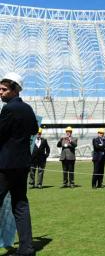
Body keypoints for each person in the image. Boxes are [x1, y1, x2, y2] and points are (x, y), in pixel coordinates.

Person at [0, 72, 38, 255]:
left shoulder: (8, 110)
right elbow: (33, 130)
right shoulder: (28, 109)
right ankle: (26, 249)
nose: (0, 92)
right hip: (22, 165)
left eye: (4, 89)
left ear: (15, 89)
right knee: (20, 205)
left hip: (5, 165)